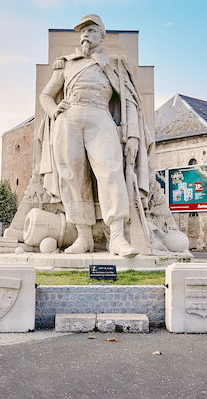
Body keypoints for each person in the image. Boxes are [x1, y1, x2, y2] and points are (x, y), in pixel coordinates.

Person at [37, 14, 153, 257]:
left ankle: (118, 237)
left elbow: (130, 102)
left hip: (100, 117)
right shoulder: (67, 63)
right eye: (82, 32)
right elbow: (46, 95)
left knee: (110, 171)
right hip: (68, 119)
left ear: (102, 35)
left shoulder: (115, 63)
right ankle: (84, 236)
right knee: (71, 176)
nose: (85, 36)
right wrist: (54, 111)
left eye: (90, 30)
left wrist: (133, 135)